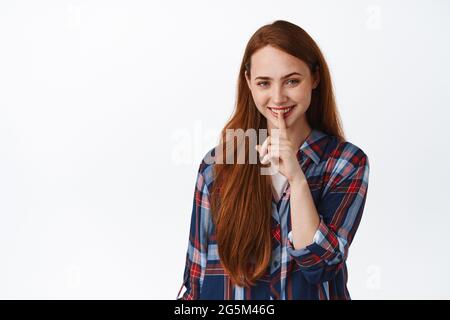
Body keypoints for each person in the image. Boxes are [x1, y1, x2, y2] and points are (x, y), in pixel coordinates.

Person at [177, 20, 370, 300]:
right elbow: (195, 281)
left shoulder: (345, 162)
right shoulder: (217, 166)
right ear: (249, 83)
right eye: (264, 83)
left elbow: (320, 265)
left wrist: (296, 178)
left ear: (314, 78)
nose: (278, 97)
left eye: (292, 81)